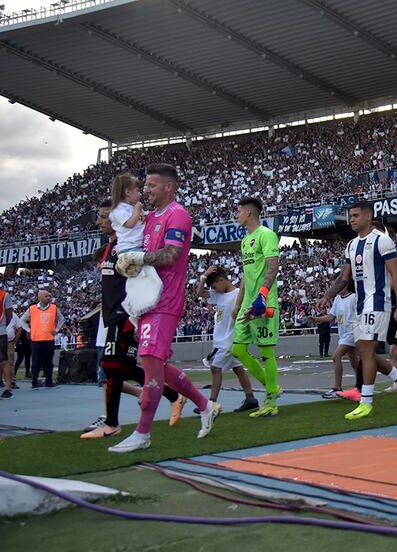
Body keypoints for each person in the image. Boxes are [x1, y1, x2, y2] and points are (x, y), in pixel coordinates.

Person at [109, 163, 220, 453]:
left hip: (166, 300)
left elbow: (171, 255)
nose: (146, 190)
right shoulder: (150, 217)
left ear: (168, 187)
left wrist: (138, 258)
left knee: (149, 363)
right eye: (145, 185)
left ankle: (143, 433)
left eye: (151, 185)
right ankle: (205, 405)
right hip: (146, 299)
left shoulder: (178, 214)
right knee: (155, 364)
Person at [82, 200, 183, 439]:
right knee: (123, 367)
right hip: (111, 316)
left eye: (105, 216)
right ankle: (174, 396)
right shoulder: (109, 247)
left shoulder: (127, 247)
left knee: (110, 366)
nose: (100, 221)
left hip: (124, 314)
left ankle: (111, 423)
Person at [322, 201, 397, 420]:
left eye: (355, 215)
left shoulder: (382, 241)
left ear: (368, 216)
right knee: (365, 352)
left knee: (368, 350)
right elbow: (345, 278)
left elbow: (395, 275)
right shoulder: (352, 245)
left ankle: (367, 401)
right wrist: (328, 295)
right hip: (360, 304)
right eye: (350, 216)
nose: (351, 220)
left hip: (379, 302)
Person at [228, 197, 283, 418]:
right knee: (238, 350)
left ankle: (270, 401)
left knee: (266, 352)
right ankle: (272, 386)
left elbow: (273, 267)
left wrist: (261, 296)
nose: (237, 215)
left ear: (249, 213)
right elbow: (245, 275)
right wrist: (239, 303)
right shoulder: (245, 240)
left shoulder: (266, 235)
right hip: (248, 304)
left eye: (239, 211)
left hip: (264, 303)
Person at [195, 266, 259, 413]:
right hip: (220, 340)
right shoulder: (217, 294)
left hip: (228, 340)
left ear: (222, 280)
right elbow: (199, 292)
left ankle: (211, 404)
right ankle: (250, 398)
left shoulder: (238, 294)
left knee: (215, 368)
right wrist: (204, 276)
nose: (213, 289)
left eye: (214, 286)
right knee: (238, 369)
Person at [323, 281, 360, 399]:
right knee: (354, 363)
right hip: (343, 335)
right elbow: (331, 316)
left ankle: (337, 388)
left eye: (337, 284)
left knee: (336, 356)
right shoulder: (338, 299)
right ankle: (361, 386)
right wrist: (316, 319)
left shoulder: (354, 297)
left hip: (352, 333)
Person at [20, 290, 63, 389]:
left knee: (49, 361)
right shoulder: (32, 309)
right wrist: (29, 330)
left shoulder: (54, 308)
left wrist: (56, 330)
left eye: (49, 296)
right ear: (40, 298)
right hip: (36, 339)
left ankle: (49, 381)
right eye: (46, 296)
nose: (49, 297)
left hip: (49, 339)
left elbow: (61, 319)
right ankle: (34, 382)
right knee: (36, 361)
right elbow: (22, 320)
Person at [108, 173, 145, 254]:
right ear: (127, 192)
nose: (140, 194)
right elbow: (130, 224)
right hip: (128, 249)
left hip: (139, 247)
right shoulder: (118, 209)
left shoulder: (133, 207)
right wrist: (137, 210)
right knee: (150, 266)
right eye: (137, 190)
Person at [1, 287, 16, 398]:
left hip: (1, 332)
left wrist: (3, 326)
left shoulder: (4, 295)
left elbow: (9, 315)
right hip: (1, 331)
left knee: (4, 360)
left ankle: (8, 387)